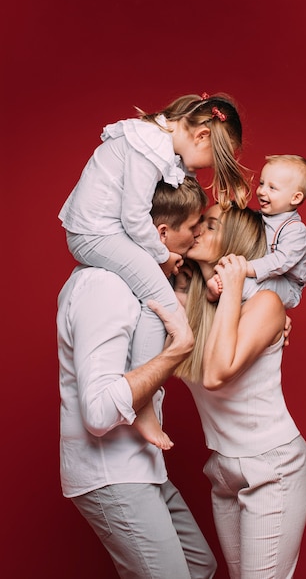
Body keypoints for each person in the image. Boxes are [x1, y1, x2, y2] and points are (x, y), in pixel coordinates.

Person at [58, 92, 251, 429]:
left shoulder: (155, 141)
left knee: (158, 300)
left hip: (105, 232)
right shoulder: (146, 144)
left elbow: (170, 196)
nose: (197, 169)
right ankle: (142, 402)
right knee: (162, 303)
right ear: (202, 135)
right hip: (96, 234)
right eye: (206, 160)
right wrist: (163, 257)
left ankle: (141, 396)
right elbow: (135, 218)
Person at [57, 178, 216, 579]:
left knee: (200, 566)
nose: (196, 236)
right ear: (161, 234)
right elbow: (97, 411)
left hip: (142, 468)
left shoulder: (138, 289)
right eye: (192, 228)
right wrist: (175, 352)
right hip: (111, 469)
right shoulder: (104, 287)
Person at [174, 203, 306, 579]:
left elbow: (217, 373)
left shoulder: (265, 304)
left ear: (235, 244)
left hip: (272, 465)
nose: (198, 229)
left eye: (211, 225)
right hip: (222, 468)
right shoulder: (192, 305)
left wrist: (234, 284)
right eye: (200, 221)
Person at [206, 154, 306, 310]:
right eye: (262, 183)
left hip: (287, 285)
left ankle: (217, 291)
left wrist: (246, 268)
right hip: (265, 275)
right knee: (241, 280)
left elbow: (281, 261)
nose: (262, 191)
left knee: (245, 283)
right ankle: (221, 290)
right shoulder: (262, 217)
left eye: (272, 188)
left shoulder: (295, 230)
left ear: (295, 198)